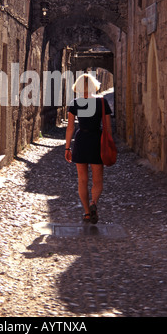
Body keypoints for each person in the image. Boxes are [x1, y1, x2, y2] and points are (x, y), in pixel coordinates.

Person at [65, 73, 112, 224]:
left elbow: (70, 127)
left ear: (78, 86)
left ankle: (86, 212)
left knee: (82, 180)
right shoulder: (102, 103)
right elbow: (108, 129)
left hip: (81, 141)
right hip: (97, 141)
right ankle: (94, 203)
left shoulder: (75, 103)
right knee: (97, 180)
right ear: (94, 86)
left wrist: (67, 148)